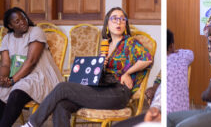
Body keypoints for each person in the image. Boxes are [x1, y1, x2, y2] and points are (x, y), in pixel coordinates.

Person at [21, 7, 153, 127]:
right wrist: (101, 64)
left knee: (63, 87)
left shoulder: (130, 42)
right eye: (114, 19)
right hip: (101, 88)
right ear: (107, 23)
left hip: (118, 93)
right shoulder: (106, 45)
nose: (118, 22)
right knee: (62, 105)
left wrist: (127, 73)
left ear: (125, 24)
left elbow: (147, 59)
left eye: (122, 19)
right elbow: (97, 73)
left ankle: (32, 124)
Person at [0, 7, 63, 127]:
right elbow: (5, 64)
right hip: (18, 76)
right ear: (10, 25)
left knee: (17, 92)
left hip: (39, 75)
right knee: (1, 91)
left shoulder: (35, 31)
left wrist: (12, 80)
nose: (23, 22)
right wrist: (3, 78)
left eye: (23, 18)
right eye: (17, 21)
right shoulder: (7, 38)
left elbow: (31, 61)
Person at [167, 29, 194, 113]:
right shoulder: (183, 56)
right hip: (183, 114)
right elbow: (191, 53)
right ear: (171, 46)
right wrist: (176, 52)